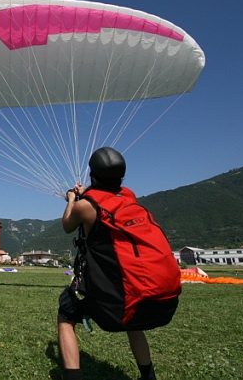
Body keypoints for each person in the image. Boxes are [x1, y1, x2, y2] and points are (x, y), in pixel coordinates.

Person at [57, 147, 159, 380]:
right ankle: (148, 376)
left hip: (109, 287)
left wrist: (72, 199)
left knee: (66, 316)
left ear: (93, 175)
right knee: (134, 324)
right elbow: (107, 197)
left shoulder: (85, 206)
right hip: (132, 284)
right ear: (121, 177)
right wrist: (87, 192)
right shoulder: (130, 197)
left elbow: (67, 225)